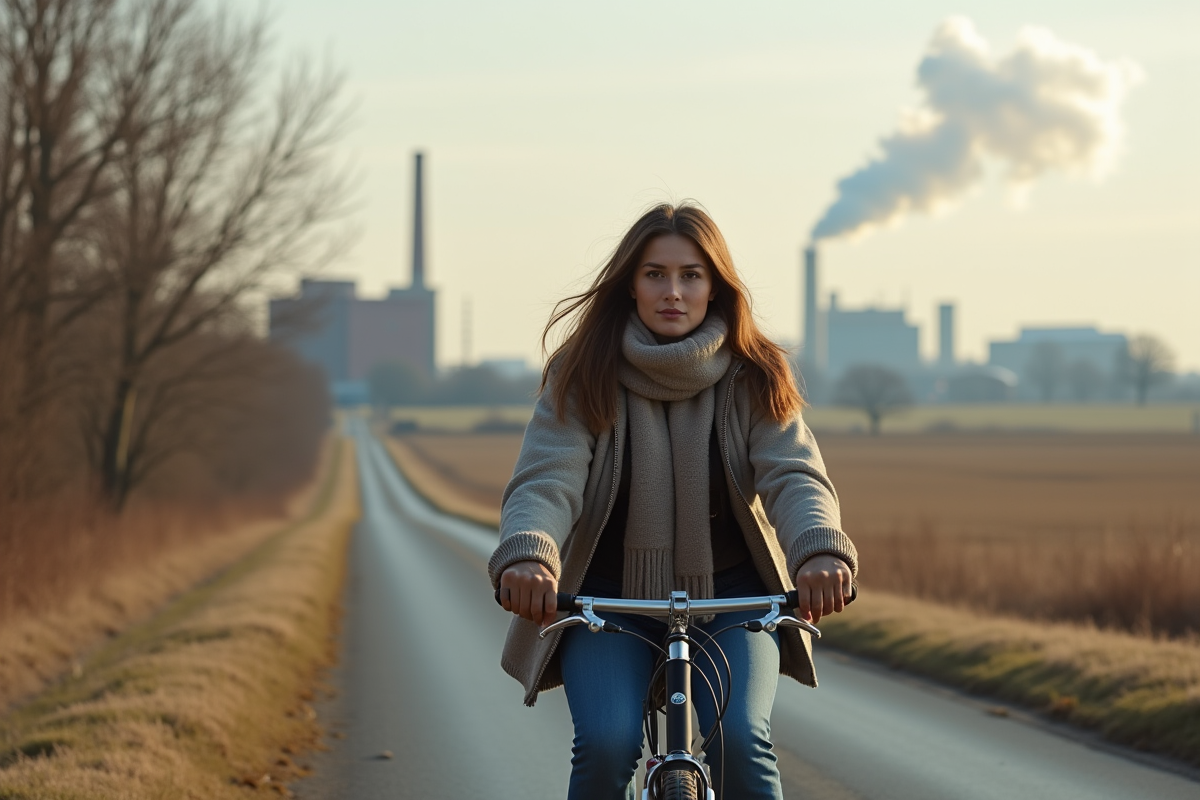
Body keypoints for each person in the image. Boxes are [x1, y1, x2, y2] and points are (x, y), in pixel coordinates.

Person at [489, 202, 856, 800]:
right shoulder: (583, 373)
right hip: (606, 602)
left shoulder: (756, 374)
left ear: (715, 287)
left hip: (736, 600)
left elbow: (795, 475)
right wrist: (530, 555)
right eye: (655, 274)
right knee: (606, 747)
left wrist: (818, 552)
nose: (673, 291)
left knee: (743, 742)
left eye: (691, 274)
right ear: (630, 285)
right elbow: (546, 480)